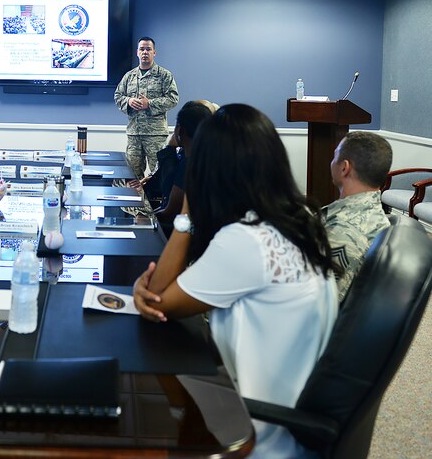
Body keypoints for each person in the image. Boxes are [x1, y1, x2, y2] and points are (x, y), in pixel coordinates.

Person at [132, 104, 337, 459]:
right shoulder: (298, 218)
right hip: (288, 413)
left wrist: (187, 213)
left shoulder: (248, 240)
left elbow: (156, 301)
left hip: (255, 436)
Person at [325, 131, 392, 302]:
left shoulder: (343, 233)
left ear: (344, 167)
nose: (331, 162)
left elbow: (320, 305)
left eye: (334, 156)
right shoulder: (374, 214)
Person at [114, 37, 179, 180]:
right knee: (132, 176)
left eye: (148, 49)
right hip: (134, 135)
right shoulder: (129, 76)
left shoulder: (164, 75)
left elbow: (173, 99)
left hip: (155, 135)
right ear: (137, 52)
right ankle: (137, 203)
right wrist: (129, 101)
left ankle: (160, 203)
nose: (145, 52)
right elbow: (118, 96)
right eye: (142, 49)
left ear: (154, 52)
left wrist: (149, 104)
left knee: (160, 175)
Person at [151, 101, 212, 234]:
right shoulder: (211, 160)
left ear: (180, 130)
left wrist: (146, 219)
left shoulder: (189, 165)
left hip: (181, 234)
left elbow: (169, 211)